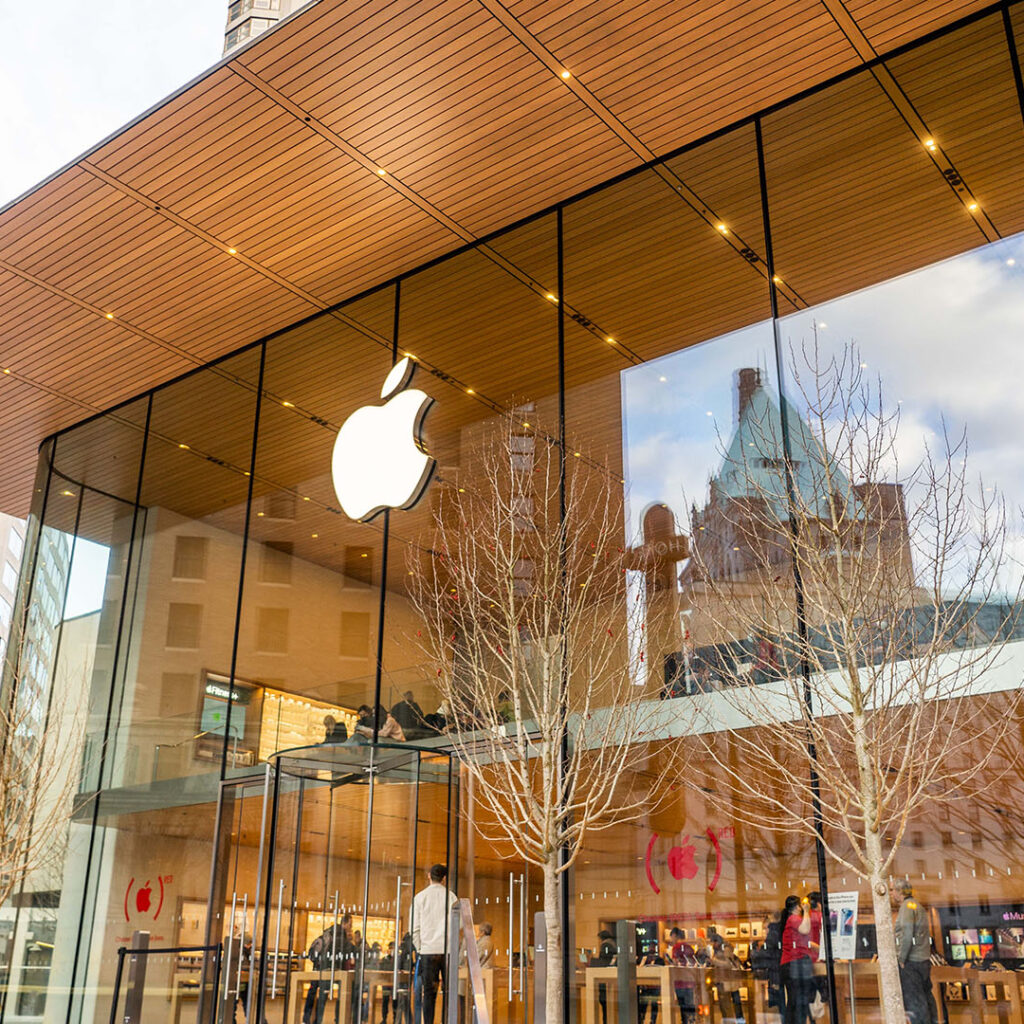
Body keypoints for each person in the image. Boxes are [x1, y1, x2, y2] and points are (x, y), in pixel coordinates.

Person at [412, 864, 457, 1024]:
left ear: (429, 875)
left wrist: (421, 948)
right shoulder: (451, 897)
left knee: (429, 994)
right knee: (449, 992)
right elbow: (457, 925)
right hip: (447, 950)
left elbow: (414, 928)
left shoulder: (420, 897)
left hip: (428, 951)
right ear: (444, 878)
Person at [893, 882, 938, 1024]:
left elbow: (907, 934)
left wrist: (901, 958)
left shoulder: (906, 908)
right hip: (922, 959)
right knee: (926, 997)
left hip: (911, 961)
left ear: (900, 891)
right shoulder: (917, 906)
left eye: (893, 890)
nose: (892, 893)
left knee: (914, 1002)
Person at [303, 916, 352, 1024]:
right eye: (350, 924)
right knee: (324, 996)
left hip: (318, 967)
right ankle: (321, 1020)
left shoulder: (329, 932)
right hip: (329, 970)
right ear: (345, 923)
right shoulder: (340, 935)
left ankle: (306, 1018)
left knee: (313, 992)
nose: (350, 927)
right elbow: (343, 954)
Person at [780, 896, 813, 1024]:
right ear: (797, 907)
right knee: (797, 1000)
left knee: (794, 1000)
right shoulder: (794, 919)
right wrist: (807, 911)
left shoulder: (790, 920)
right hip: (793, 964)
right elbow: (805, 929)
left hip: (789, 964)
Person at [711, 938, 746, 1024]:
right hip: (727, 983)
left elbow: (728, 965)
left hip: (729, 983)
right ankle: (735, 1021)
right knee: (731, 1005)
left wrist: (714, 961)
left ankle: (735, 1021)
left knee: (731, 1005)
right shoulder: (724, 954)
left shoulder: (727, 954)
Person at [638, 945, 666, 1024]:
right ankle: (642, 1019)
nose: (651, 949)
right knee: (644, 1005)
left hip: (654, 986)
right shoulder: (644, 959)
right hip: (646, 985)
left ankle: (652, 1021)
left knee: (653, 1005)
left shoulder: (659, 960)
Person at [594, 929, 617, 1024]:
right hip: (611, 976)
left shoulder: (605, 945)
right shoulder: (613, 944)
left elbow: (602, 960)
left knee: (604, 1002)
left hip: (604, 977)